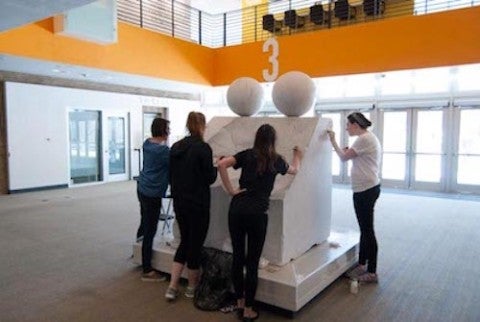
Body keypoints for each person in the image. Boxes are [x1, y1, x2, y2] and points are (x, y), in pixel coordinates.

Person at [217, 124, 302, 322]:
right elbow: (295, 170)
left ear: (256, 138)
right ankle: (248, 310)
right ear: (273, 141)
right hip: (257, 214)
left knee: (238, 257)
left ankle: (238, 302)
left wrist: (231, 190)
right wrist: (298, 154)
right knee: (252, 262)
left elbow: (221, 164)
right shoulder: (276, 160)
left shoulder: (247, 154)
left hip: (237, 210)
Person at [165, 111, 218, 301]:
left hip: (179, 201)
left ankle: (172, 286)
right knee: (195, 244)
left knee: (185, 241)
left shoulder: (176, 147)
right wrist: (217, 166)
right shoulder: (204, 148)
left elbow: (171, 175)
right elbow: (210, 177)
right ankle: (192, 286)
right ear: (203, 126)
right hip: (198, 203)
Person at [327, 112, 381, 283]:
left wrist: (333, 140)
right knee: (364, 229)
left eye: (348, 125)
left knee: (367, 230)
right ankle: (362, 263)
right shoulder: (368, 137)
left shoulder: (364, 139)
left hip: (365, 190)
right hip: (367, 187)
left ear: (356, 125)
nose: (346, 128)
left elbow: (343, 158)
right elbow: (353, 155)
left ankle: (371, 271)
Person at [136, 117, 170, 282]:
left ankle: (138, 251)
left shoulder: (147, 144)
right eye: (168, 129)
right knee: (151, 230)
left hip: (142, 187)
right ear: (163, 131)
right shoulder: (163, 151)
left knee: (144, 223)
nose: (169, 132)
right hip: (152, 192)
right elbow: (174, 162)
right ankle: (147, 270)